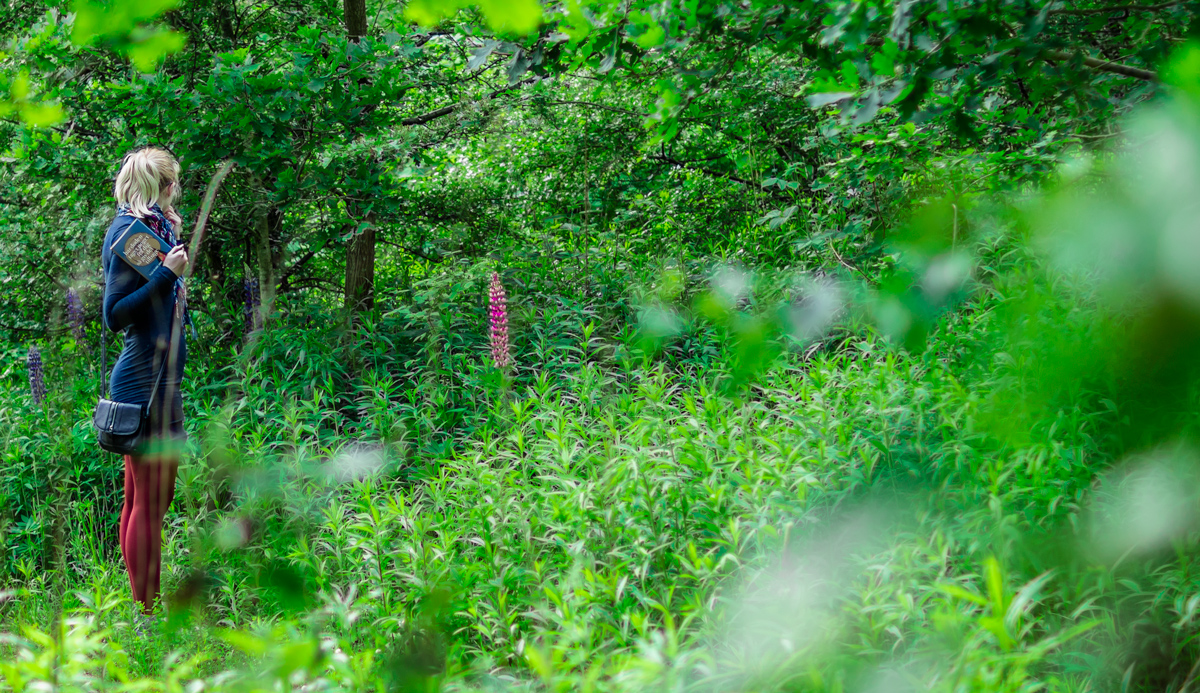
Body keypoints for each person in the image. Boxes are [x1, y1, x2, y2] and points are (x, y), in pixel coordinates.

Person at [101, 146, 190, 618]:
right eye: (174, 182)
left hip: (160, 382)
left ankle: (143, 608)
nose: (178, 190)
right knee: (151, 501)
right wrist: (164, 273)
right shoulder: (125, 232)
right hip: (144, 384)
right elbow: (114, 315)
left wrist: (167, 247)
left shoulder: (151, 229)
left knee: (142, 498)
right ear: (163, 186)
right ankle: (147, 613)